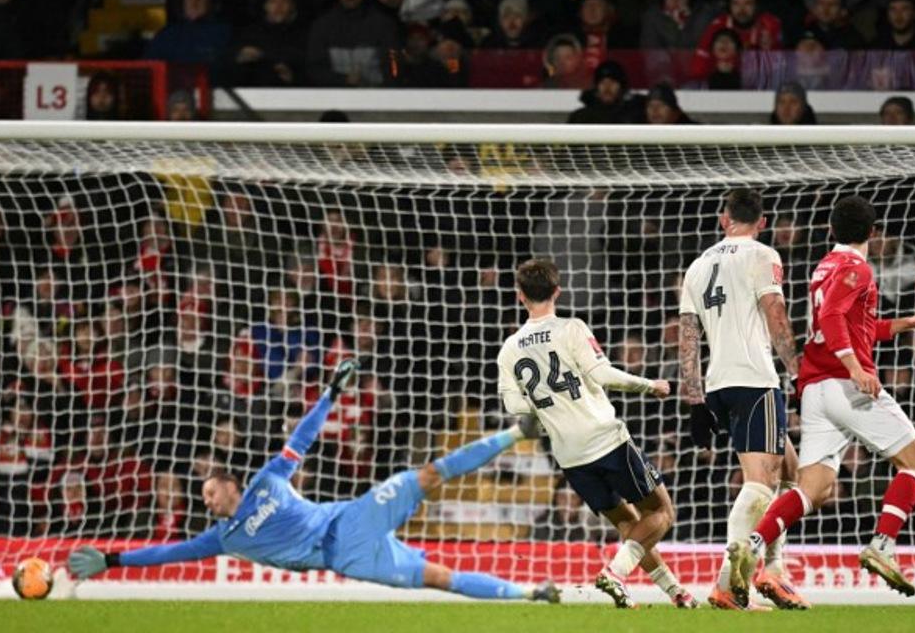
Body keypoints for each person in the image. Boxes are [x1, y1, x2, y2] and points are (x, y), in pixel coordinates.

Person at [69, 360, 561, 603]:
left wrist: (329, 394)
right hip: (347, 556)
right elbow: (166, 555)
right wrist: (113, 559)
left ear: (230, 483)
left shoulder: (266, 480)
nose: (206, 498)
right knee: (439, 579)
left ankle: (516, 430)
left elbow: (300, 440)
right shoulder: (225, 538)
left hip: (352, 515)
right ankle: (528, 594)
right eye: (204, 497)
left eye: (209, 490)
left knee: (427, 474)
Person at [727, 196, 915, 602]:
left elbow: (851, 325)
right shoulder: (856, 268)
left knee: (815, 487)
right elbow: (832, 321)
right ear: (874, 234)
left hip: (815, 390)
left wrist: (904, 324)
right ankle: (882, 545)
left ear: (831, 229)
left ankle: (753, 544)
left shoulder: (825, 266)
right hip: (846, 385)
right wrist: (857, 368)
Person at [497, 259, 697, 610]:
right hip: (606, 440)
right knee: (662, 513)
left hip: (570, 456)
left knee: (627, 523)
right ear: (557, 291)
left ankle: (676, 593)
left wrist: (550, 415)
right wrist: (650, 385)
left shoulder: (510, 349)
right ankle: (615, 575)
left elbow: (516, 407)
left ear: (519, 296)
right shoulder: (571, 328)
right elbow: (602, 374)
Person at [678, 189, 810, 611]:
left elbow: (687, 335)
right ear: (763, 221)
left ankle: (774, 571)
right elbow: (775, 312)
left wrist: (695, 401)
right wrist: (797, 373)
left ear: (724, 219)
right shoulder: (762, 255)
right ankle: (727, 585)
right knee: (759, 485)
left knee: (791, 470)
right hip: (755, 380)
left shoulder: (698, 266)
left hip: (718, 384)